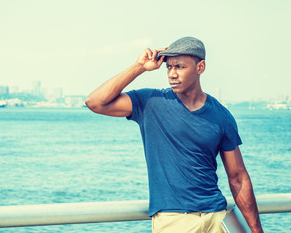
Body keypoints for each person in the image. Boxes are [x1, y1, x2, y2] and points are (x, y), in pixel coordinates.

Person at [85, 37, 263, 233]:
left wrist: (256, 230)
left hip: (216, 218)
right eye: (169, 67)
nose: (172, 74)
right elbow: (95, 102)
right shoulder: (151, 102)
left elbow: (238, 178)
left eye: (179, 67)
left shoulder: (221, 116)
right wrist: (139, 67)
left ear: (200, 67)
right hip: (174, 221)